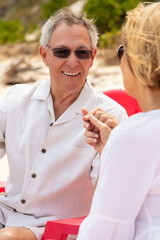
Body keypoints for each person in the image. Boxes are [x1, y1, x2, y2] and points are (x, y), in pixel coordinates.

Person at [0, 8, 127, 240]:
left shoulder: (110, 116)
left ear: (93, 57)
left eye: (82, 53)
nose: (72, 61)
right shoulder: (14, 99)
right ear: (44, 55)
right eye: (61, 52)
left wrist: (108, 148)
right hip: (5, 212)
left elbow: (111, 199)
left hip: (55, 226)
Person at [77, 2, 160, 240]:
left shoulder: (135, 135)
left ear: (137, 61)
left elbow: (104, 232)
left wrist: (118, 147)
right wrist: (111, 149)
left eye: (122, 50)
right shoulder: (130, 136)